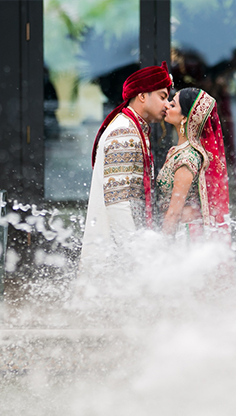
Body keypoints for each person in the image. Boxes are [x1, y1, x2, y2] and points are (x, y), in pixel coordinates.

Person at [80, 62, 172, 264]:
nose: (167, 104)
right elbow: (118, 203)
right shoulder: (124, 132)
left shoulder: (132, 128)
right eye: (162, 96)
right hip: (117, 260)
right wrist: (135, 255)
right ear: (142, 96)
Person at [157, 87, 231, 242]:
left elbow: (174, 213)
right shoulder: (177, 151)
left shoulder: (187, 158)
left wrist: (161, 247)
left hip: (184, 236)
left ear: (184, 118)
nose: (166, 106)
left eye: (173, 105)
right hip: (181, 232)